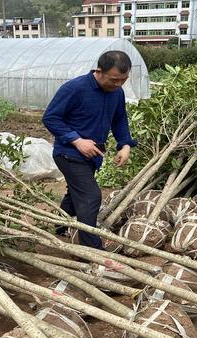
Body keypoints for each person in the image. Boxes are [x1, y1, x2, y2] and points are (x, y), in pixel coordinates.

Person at [42, 50, 137, 249]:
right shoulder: (75, 88)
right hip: (68, 153)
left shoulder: (116, 93)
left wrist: (125, 144)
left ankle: (61, 227)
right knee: (90, 196)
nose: (119, 84)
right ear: (99, 71)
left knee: (75, 191)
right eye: (114, 79)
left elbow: (119, 120)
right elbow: (51, 118)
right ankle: (91, 248)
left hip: (92, 155)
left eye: (123, 79)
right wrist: (77, 140)